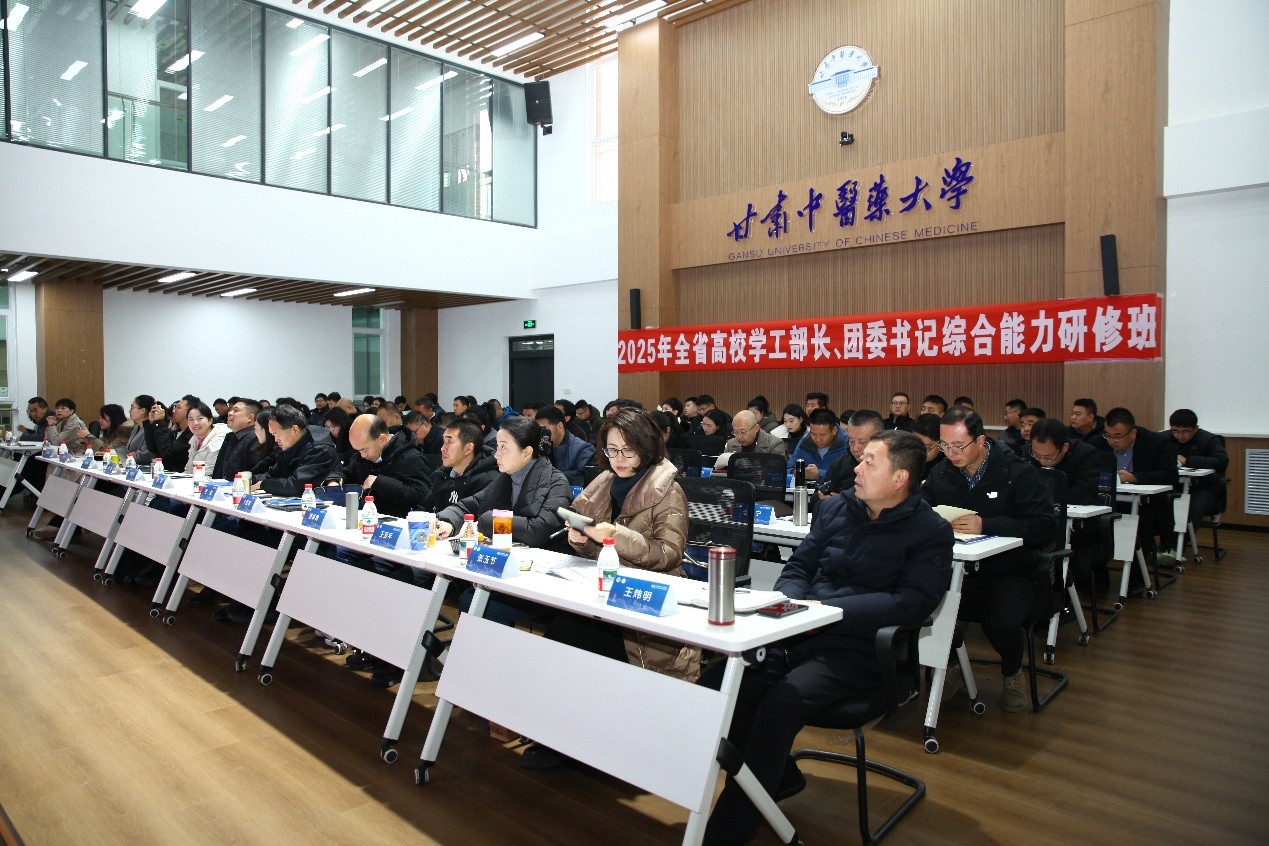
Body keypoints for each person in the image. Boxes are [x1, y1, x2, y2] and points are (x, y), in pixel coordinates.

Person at [700, 430, 953, 845]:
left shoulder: (930, 531)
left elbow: (911, 604)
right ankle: (777, 777)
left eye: (870, 461)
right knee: (721, 685)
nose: (857, 468)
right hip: (798, 632)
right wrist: (793, 604)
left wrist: (828, 611)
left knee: (778, 705)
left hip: (859, 650)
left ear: (899, 478)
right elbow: (798, 567)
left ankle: (726, 834)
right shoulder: (837, 508)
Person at [522, 409, 692, 771]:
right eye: (612, 450)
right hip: (603, 591)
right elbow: (594, 545)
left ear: (647, 447)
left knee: (577, 639)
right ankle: (560, 734)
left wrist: (617, 536)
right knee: (562, 637)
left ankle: (584, 741)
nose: (619, 459)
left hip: (647, 599)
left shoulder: (668, 490)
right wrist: (581, 539)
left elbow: (669, 554)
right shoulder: (603, 482)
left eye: (628, 451)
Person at [922, 407, 1055, 713]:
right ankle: (953, 665)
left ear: (981, 441)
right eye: (945, 446)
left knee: (1001, 624)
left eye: (958, 446)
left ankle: (1012, 671)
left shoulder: (1016, 472)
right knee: (924, 607)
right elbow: (921, 509)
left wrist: (987, 525)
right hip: (958, 569)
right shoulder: (941, 473)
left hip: (1010, 570)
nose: (951, 454)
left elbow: (1044, 526)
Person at [1030, 418, 1115, 587]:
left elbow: (1082, 495)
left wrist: (1043, 495)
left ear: (1065, 448)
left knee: (1078, 572)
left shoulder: (1085, 454)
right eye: (1037, 455)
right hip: (1038, 524)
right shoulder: (1027, 453)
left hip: (1079, 528)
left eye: (1048, 457)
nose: (1042, 461)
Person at [1104, 406, 1179, 565]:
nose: (1112, 441)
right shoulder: (1098, 442)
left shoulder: (1156, 442)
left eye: (1118, 436)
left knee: (1141, 523)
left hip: (1145, 503)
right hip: (1110, 500)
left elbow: (1170, 475)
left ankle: (1136, 574)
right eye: (1108, 435)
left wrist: (1134, 477)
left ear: (1133, 433)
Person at [250, 404, 340, 496]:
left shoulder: (319, 449)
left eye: (277, 435)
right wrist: (250, 479)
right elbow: (275, 473)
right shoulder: (292, 444)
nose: (276, 440)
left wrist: (263, 484)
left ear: (295, 429)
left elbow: (297, 486)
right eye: (273, 435)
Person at [1167, 408, 1228, 526]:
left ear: (1196, 429)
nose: (1180, 436)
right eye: (1175, 431)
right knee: (1156, 507)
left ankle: (1180, 538)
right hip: (1173, 485)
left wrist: (1188, 461)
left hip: (1203, 487)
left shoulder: (1209, 439)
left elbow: (1221, 461)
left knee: (1191, 511)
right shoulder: (1164, 438)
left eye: (1185, 431)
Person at [429, 417, 500, 512]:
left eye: (449, 442)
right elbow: (424, 508)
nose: (443, 448)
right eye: (444, 441)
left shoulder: (488, 480)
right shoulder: (442, 475)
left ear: (468, 448)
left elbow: (484, 518)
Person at [817, 409, 884, 498]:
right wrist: (822, 498)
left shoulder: (889, 467)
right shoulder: (840, 463)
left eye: (862, 442)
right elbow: (817, 495)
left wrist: (844, 501)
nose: (855, 448)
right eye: (851, 441)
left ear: (879, 438)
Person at [536, 405, 595, 486]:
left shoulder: (582, 449)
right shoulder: (539, 447)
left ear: (560, 426)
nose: (541, 433)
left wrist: (551, 476)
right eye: (538, 430)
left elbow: (585, 477)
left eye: (544, 429)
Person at [786, 407, 847, 481]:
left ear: (834, 430)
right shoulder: (805, 443)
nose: (818, 439)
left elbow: (850, 475)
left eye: (822, 435)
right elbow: (787, 469)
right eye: (813, 434)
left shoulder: (847, 444)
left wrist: (820, 474)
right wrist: (796, 472)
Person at [714, 409, 787, 470]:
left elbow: (775, 474)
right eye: (735, 432)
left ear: (756, 428)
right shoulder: (731, 444)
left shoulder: (774, 444)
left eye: (743, 432)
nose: (739, 436)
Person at [212, 399, 264, 482]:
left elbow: (255, 474)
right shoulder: (229, 436)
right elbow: (219, 470)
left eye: (236, 410)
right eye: (231, 410)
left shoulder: (256, 438)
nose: (229, 413)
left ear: (250, 418)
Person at [184, 402, 231, 472]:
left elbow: (209, 471)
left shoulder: (220, 437)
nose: (195, 423)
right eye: (191, 419)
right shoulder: (194, 439)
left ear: (210, 420)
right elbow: (189, 469)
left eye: (200, 418)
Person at [912, 412, 945, 480]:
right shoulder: (905, 458)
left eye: (927, 448)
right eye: (915, 445)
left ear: (941, 444)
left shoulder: (946, 468)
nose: (919, 451)